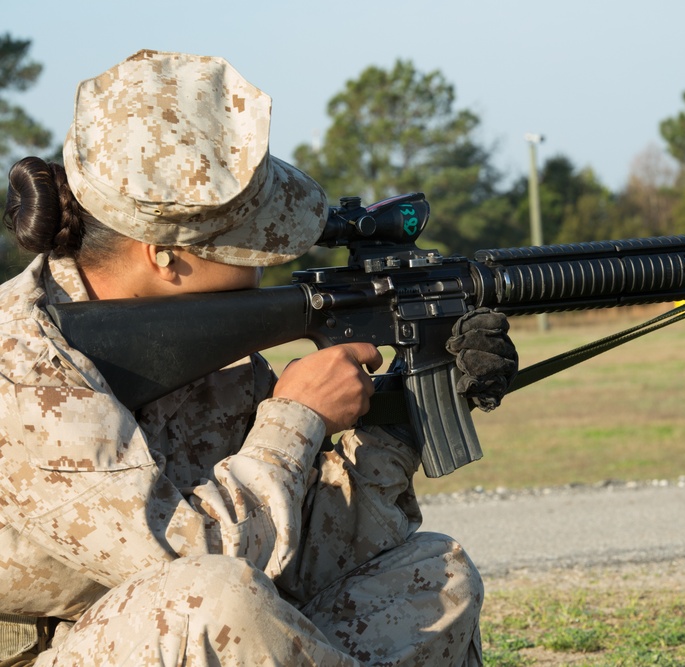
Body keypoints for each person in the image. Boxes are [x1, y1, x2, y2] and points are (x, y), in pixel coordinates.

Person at [0, 50, 517, 666]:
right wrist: (297, 417)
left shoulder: (206, 347)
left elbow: (309, 557)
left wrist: (396, 413)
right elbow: (193, 558)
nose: (270, 264)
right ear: (163, 253)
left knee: (432, 578)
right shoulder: (25, 366)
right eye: (250, 248)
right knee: (213, 599)